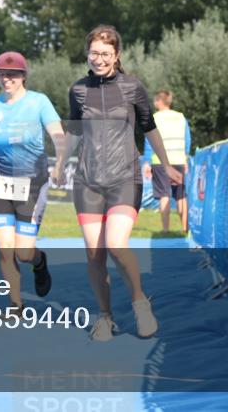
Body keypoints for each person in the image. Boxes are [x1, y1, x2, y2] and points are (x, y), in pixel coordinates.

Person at [55, 25, 183, 341]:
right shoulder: (78, 90)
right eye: (94, 53)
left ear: (117, 55)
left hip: (125, 178)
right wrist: (59, 165)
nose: (99, 59)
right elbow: (73, 131)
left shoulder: (132, 88)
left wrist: (165, 164)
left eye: (105, 54)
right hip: (87, 182)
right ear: (87, 53)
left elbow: (149, 128)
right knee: (94, 253)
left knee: (116, 243)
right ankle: (105, 316)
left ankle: (140, 302)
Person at [0, 51, 65, 315]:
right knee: (5, 249)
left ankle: (39, 262)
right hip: (1, 181)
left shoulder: (39, 102)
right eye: (2, 74)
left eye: (12, 74)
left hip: (33, 182)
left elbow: (58, 134)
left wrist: (60, 162)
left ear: (23, 76)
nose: (6, 79)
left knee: (23, 252)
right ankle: (15, 305)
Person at [142, 91, 191, 233]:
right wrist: (185, 157)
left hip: (160, 162)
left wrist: (146, 161)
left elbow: (149, 141)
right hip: (178, 160)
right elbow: (187, 140)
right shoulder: (181, 118)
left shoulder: (155, 118)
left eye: (155, 101)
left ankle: (165, 230)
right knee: (181, 195)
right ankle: (184, 228)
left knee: (164, 195)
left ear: (159, 101)